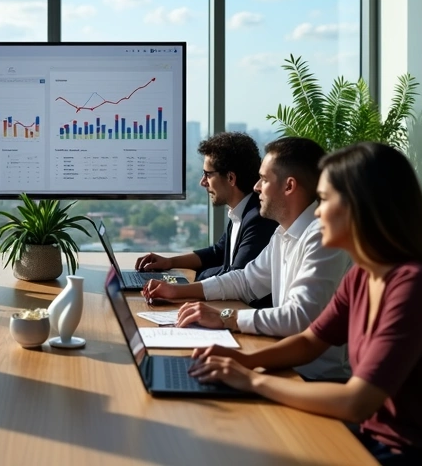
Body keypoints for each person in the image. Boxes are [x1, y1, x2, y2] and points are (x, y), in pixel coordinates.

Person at [189, 142, 422, 465]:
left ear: (359, 207)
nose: (318, 212)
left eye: (324, 200)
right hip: (384, 439)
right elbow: (310, 342)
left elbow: (357, 402)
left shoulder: (415, 286)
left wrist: (253, 380)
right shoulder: (362, 277)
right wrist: (241, 361)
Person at [143, 137, 349, 380]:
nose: (256, 187)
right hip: (283, 366)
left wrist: (225, 317)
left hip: (315, 379)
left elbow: (298, 317)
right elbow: (246, 280)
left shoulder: (322, 236)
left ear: (289, 186)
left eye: (264, 179)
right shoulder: (283, 233)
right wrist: (178, 292)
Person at [135, 132, 277, 287]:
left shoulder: (258, 219)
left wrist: (184, 285)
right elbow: (218, 252)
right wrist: (169, 262)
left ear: (231, 178)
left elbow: (235, 278)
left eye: (208, 175)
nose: (203, 182)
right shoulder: (243, 210)